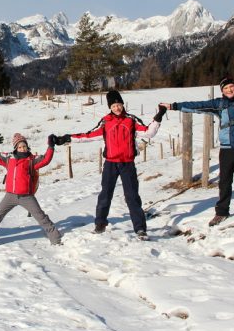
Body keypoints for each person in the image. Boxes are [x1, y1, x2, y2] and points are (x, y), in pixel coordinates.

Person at [160, 51, 234, 232]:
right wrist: (174, 106)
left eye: (231, 87)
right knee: (224, 181)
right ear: (222, 91)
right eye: (225, 89)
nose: (229, 90)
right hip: (226, 148)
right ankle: (222, 212)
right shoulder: (219, 105)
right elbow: (198, 106)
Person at [54, 90, 164, 240]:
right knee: (105, 195)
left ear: (122, 104)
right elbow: (88, 135)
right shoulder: (105, 122)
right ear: (110, 107)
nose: (117, 108)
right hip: (110, 164)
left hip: (127, 164)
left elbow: (148, 132)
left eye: (118, 104)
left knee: (132, 196)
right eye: (113, 106)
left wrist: (159, 116)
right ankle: (100, 224)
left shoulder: (130, 120)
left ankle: (140, 229)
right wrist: (67, 138)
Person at [0, 132, 62, 245]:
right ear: (16, 148)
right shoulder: (9, 158)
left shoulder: (32, 160)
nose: (22, 148)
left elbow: (45, 160)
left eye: (24, 146)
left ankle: (56, 238)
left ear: (27, 146)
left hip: (27, 196)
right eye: (20, 147)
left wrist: (51, 146)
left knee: (41, 217)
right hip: (10, 196)